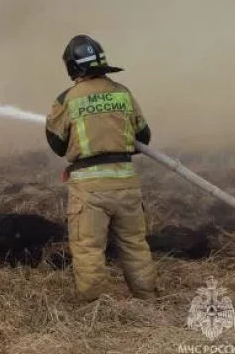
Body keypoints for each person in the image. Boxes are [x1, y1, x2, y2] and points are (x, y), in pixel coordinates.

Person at [45, 34, 158, 301]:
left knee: (88, 249)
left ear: (72, 66)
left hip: (90, 190)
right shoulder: (122, 93)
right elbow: (144, 137)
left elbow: (57, 144)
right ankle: (149, 299)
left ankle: (93, 308)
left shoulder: (67, 99)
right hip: (126, 184)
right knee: (135, 246)